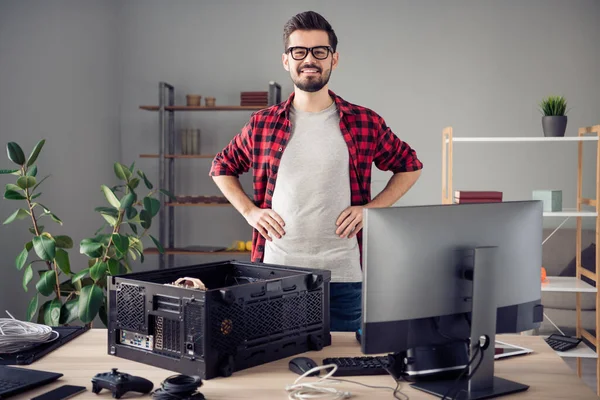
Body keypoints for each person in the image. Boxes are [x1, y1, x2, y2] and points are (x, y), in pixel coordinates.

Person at [209, 11, 423, 332]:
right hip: (276, 274)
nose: (309, 59)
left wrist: (371, 211)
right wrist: (251, 212)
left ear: (334, 59)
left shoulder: (364, 121)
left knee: (344, 368)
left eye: (319, 51)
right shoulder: (263, 123)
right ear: (286, 60)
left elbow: (409, 165)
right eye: (299, 51)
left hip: (343, 277)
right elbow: (222, 167)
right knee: (274, 365)